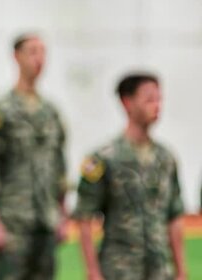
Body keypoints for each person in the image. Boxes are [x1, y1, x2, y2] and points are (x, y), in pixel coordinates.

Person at [74, 73, 186, 280]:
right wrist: (92, 271)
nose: (157, 105)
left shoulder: (166, 158)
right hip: (119, 269)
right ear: (127, 103)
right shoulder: (103, 159)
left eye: (159, 99)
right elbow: (84, 217)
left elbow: (174, 216)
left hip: (160, 270)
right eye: (149, 99)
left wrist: (181, 270)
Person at [0, 33, 67, 280]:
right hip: (11, 224)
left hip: (45, 223)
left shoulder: (51, 113)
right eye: (33, 52)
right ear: (16, 57)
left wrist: (61, 215)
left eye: (43, 53)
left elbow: (60, 168)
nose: (39, 59)